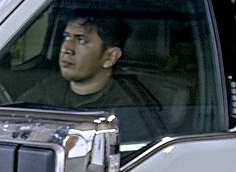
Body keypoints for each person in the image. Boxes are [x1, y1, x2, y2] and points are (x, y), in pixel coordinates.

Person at [19, 13, 162, 145]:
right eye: (67, 37)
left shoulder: (126, 109)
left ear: (110, 56)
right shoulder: (46, 90)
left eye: (81, 40)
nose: (67, 48)